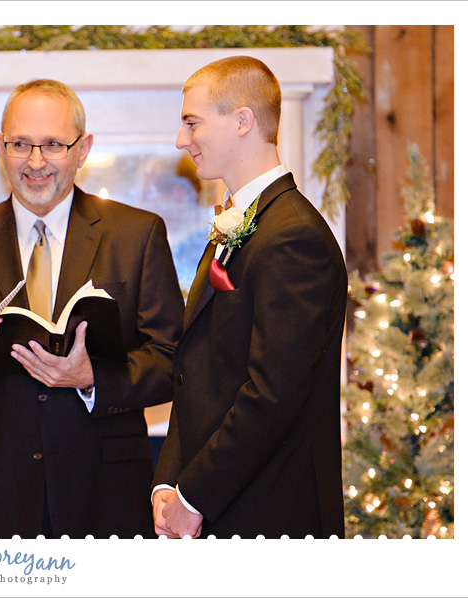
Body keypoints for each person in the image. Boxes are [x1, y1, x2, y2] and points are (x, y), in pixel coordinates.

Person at [0, 79, 185, 539]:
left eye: (52, 144)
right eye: (20, 145)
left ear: (83, 148)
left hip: (107, 494)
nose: (35, 162)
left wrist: (91, 377)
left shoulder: (137, 234)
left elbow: (172, 362)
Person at [152, 56, 347, 539]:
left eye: (192, 122)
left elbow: (273, 394)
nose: (181, 140)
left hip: (271, 513)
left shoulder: (292, 236)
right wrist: (168, 483)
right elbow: (196, 370)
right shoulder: (240, 222)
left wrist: (193, 497)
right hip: (226, 505)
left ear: (243, 121)